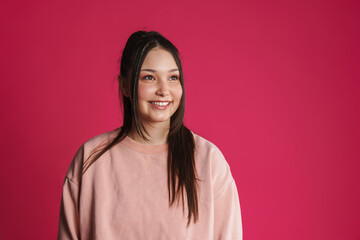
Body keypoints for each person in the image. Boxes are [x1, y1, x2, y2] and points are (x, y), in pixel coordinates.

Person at [57, 31, 242, 240]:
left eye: (173, 77)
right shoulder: (91, 158)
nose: (164, 90)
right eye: (149, 77)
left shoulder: (208, 161)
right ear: (125, 85)